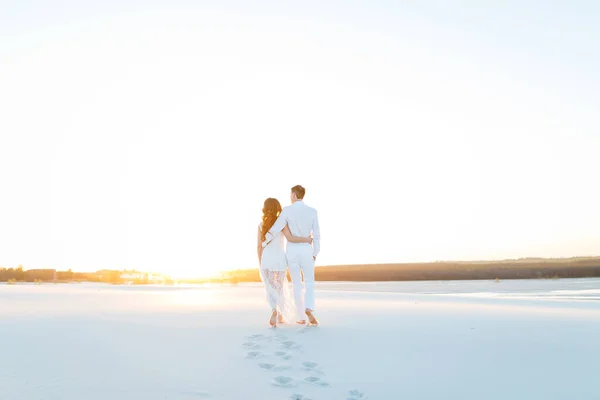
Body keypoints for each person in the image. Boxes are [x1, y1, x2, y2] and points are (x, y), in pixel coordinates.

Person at [263, 185, 321, 325]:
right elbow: (317, 235)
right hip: (306, 249)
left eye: (290, 194)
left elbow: (276, 227)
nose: (290, 196)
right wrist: (315, 253)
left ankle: (301, 316)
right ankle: (309, 309)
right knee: (309, 282)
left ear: (294, 195)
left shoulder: (287, 211)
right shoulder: (312, 211)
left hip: (292, 252)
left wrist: (265, 241)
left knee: (296, 284)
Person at [257, 197, 312, 327]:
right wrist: (305, 239)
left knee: (270, 287)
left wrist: (260, 262)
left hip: (267, 259)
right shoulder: (282, 224)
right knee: (279, 287)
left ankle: (274, 311)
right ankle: (280, 314)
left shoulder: (261, 225)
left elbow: (259, 246)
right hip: (280, 260)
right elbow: (291, 238)